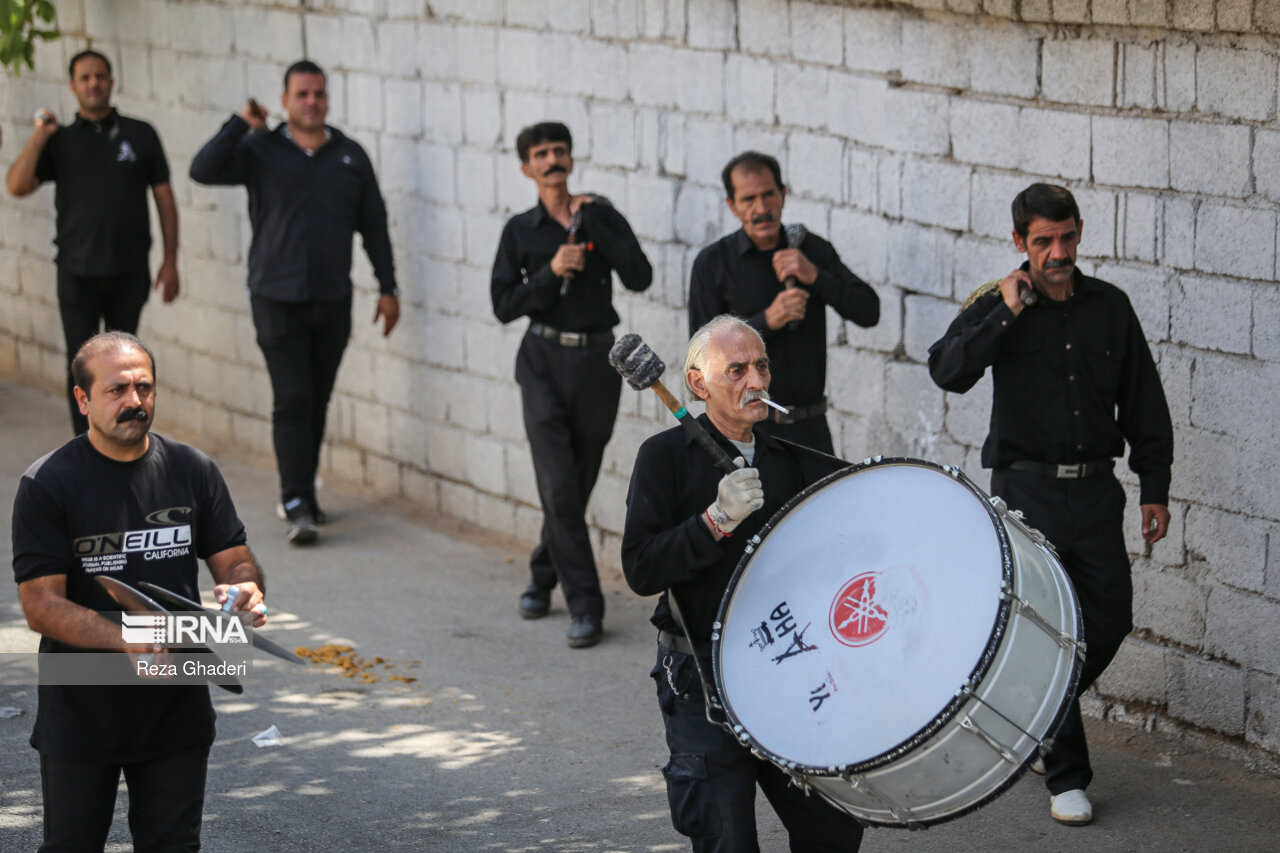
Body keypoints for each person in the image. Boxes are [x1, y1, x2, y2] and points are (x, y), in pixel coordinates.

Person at [927, 183, 1173, 827]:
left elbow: (1144, 399)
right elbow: (946, 370)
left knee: (1111, 617)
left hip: (1094, 491)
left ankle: (1035, 718)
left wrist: (1155, 486)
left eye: (1066, 237)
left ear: (1080, 232)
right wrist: (1004, 314)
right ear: (1019, 243)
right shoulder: (997, 303)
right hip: (1026, 492)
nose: (1057, 251)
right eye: (1043, 241)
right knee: (1051, 632)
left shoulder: (1111, 308)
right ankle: (1067, 776)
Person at [10, 331, 269, 851]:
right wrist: (124, 638)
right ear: (82, 400)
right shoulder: (48, 484)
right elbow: (41, 606)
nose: (135, 401)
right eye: (117, 390)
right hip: (82, 705)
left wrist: (244, 590)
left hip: (176, 697)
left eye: (144, 388)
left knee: (174, 845)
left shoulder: (191, 469)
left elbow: (234, 557)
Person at [621, 316, 863, 852]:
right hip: (702, 678)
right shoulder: (663, 459)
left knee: (835, 827)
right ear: (698, 385)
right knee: (725, 838)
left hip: (788, 670)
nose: (756, 380)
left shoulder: (788, 460)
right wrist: (714, 521)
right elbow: (640, 568)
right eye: (737, 369)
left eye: (761, 366)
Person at [189, 59, 400, 545]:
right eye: (302, 94)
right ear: (284, 100)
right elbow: (203, 169)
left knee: (318, 398)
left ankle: (304, 493)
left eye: (319, 94)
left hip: (331, 298)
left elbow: (374, 226)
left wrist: (388, 288)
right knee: (292, 397)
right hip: (275, 296)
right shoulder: (260, 149)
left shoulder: (350, 155)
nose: (311, 102)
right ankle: (297, 500)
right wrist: (240, 122)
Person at [491, 121, 653, 648]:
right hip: (540, 361)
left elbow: (640, 276)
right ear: (527, 168)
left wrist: (598, 224)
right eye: (541, 154)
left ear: (571, 158)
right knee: (560, 486)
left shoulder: (600, 215)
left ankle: (542, 574)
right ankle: (586, 606)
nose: (552, 159)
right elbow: (502, 305)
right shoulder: (521, 230)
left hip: (595, 367)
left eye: (559, 150)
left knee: (572, 487)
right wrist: (548, 271)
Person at [5, 49, 180, 436]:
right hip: (77, 273)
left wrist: (171, 261)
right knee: (82, 366)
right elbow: (16, 186)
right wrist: (39, 135)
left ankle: (127, 440)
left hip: (129, 272)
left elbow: (165, 199)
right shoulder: (61, 140)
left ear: (111, 82)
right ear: (73, 86)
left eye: (99, 76)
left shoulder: (140, 134)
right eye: (84, 78)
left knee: (126, 369)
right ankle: (86, 448)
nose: (93, 84)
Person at [688, 151, 879, 454]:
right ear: (732, 206)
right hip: (743, 431)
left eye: (768, 195)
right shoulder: (713, 264)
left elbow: (869, 311)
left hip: (809, 429)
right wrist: (766, 322)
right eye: (748, 199)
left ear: (783, 195)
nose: (761, 208)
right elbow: (700, 359)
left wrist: (815, 275)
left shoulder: (810, 250)